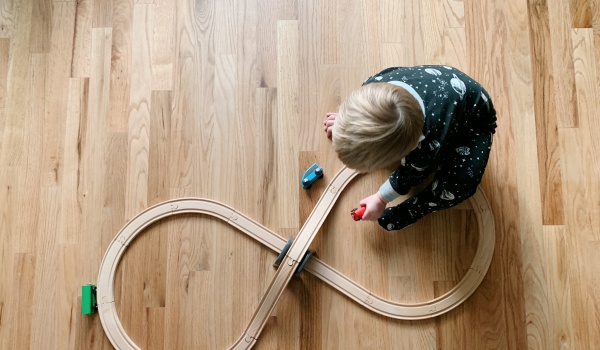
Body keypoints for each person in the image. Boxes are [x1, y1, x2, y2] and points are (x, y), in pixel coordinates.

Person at [323, 65, 497, 231]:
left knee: (460, 185)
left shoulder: (427, 148)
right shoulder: (375, 86)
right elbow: (367, 109)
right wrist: (347, 122)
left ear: (413, 146)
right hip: (440, 91)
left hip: (474, 120)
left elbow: (410, 175)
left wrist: (381, 198)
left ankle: (413, 210)